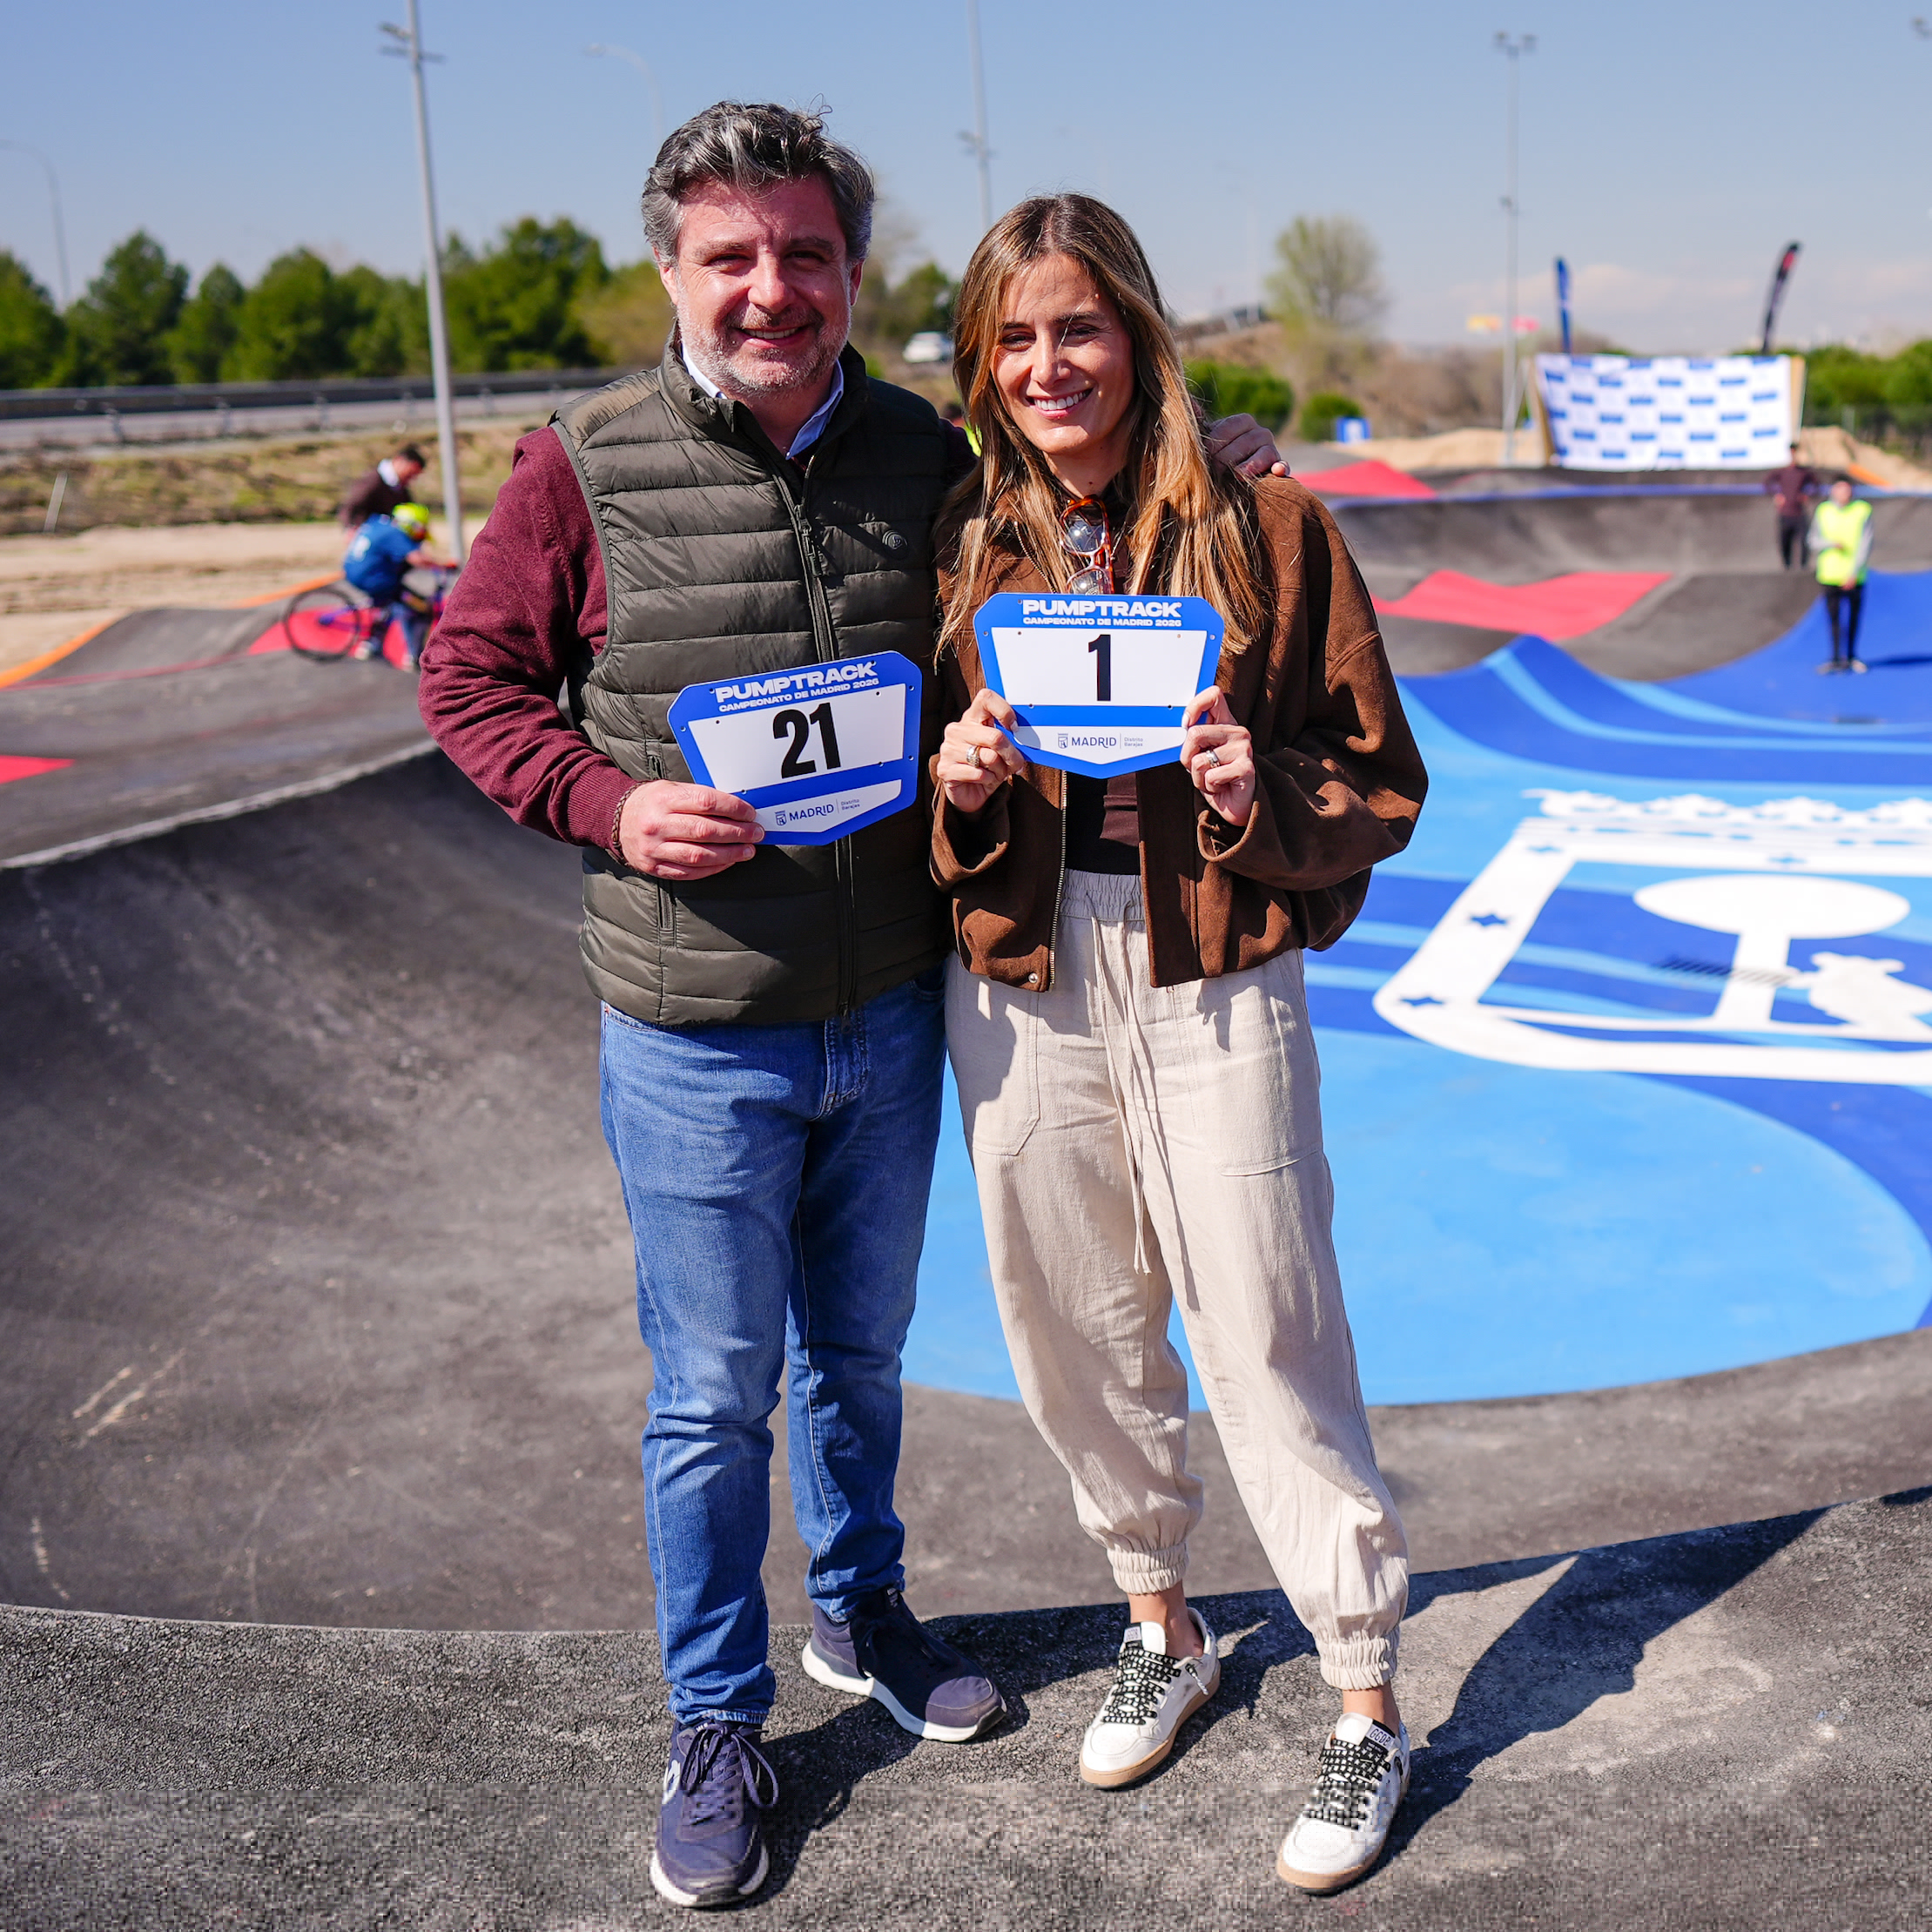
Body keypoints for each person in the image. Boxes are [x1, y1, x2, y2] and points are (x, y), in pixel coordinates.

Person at [415, 104, 1287, 1912]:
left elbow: (1077, 480)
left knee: (860, 1357)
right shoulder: (580, 464)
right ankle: (715, 1720)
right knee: (710, 1392)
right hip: (694, 1023)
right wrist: (605, 802)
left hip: (890, 1001)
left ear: (850, 269)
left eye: (802, 253)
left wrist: (1218, 447)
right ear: (671, 270)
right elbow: (470, 680)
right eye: (728, 256)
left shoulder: (922, 452)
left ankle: (862, 1608)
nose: (769, 289)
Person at [929, 193, 1427, 1895]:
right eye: (1012, 336)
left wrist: (1247, 787)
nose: (1046, 363)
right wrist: (958, 784)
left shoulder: (1262, 519)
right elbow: (919, 771)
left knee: (1264, 1320)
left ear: (1134, 331)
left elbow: (1375, 775)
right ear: (980, 364)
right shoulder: (968, 530)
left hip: (1210, 961)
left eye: (1075, 324)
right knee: (1065, 1316)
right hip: (1020, 972)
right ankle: (1160, 1620)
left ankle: (1361, 1694)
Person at [341, 502, 449, 670]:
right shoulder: (395, 533)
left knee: (388, 604)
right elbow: (416, 558)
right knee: (418, 608)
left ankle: (373, 644)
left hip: (354, 570)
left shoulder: (379, 522)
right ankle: (414, 657)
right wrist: (442, 565)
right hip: (375, 579)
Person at [1811, 475, 1874, 672]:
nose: (1843, 493)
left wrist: (1854, 572)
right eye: (1839, 489)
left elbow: (1866, 543)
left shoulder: (1862, 510)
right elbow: (1812, 540)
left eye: (1847, 489)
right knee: (1834, 619)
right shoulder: (1823, 510)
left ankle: (1852, 656)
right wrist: (1830, 543)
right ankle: (1836, 658)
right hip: (1829, 574)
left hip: (1854, 575)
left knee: (1853, 618)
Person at [340, 442, 427, 528]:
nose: (411, 478)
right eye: (410, 473)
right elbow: (351, 506)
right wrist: (352, 527)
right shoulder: (373, 481)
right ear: (399, 460)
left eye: (414, 476)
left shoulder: (400, 488)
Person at [1764, 441, 1820, 570]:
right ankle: (1787, 567)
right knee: (1785, 542)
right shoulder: (1782, 472)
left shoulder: (1804, 472)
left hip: (1799, 513)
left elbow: (1816, 485)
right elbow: (1766, 483)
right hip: (1785, 513)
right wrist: (1777, 495)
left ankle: (1803, 567)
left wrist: (1807, 495)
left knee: (1804, 541)